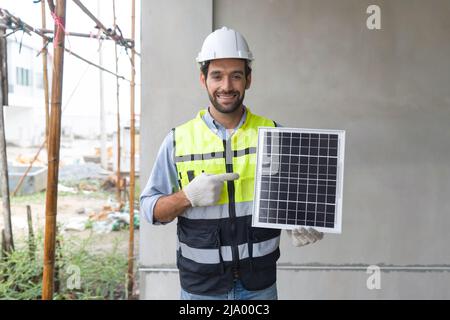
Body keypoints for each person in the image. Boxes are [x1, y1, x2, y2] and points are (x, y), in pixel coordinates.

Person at [140, 26, 324, 300]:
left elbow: (297, 201)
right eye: (217, 76)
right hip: (201, 290)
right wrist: (186, 197)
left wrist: (303, 221)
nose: (226, 86)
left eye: (236, 76)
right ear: (203, 79)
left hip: (259, 286)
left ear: (248, 80)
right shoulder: (178, 140)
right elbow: (150, 210)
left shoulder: (275, 135)